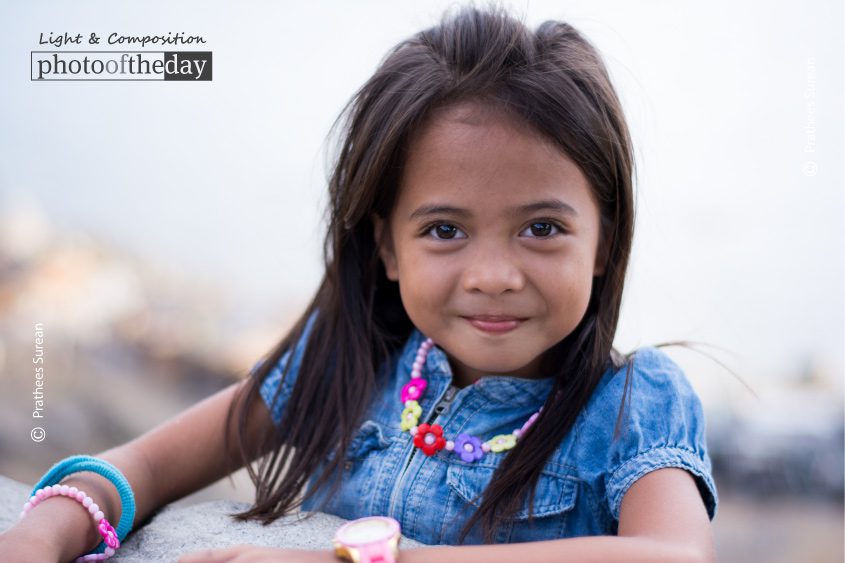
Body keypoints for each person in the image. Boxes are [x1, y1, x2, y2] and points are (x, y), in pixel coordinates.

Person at [1, 5, 718, 562]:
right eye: (444, 229)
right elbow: (148, 462)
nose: (494, 276)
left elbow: (672, 554)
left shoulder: (632, 405)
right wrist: (42, 532)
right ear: (386, 246)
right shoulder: (348, 359)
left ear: (604, 241)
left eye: (541, 228)